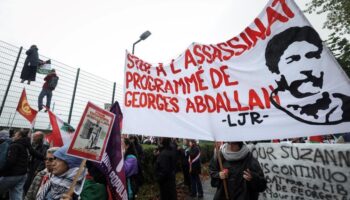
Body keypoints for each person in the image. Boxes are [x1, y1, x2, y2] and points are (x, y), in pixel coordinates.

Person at [265, 26, 350, 125]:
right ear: (277, 73)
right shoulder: (274, 117)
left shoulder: (344, 105)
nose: (307, 69)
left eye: (311, 56)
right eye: (293, 59)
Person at [0, 130, 44, 200]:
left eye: (15, 135)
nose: (13, 136)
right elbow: (34, 153)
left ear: (19, 136)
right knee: (16, 194)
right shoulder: (26, 145)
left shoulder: (14, 145)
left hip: (12, 174)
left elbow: (11, 161)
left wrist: (1, 171)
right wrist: (45, 158)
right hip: (23, 174)